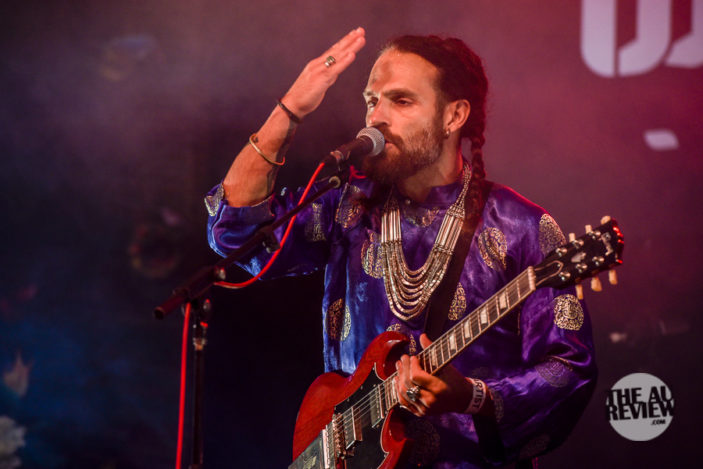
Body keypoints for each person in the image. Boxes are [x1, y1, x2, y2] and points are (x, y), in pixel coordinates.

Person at [205, 28, 597, 468]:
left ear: (454, 116)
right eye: (372, 101)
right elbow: (233, 228)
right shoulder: (347, 206)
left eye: (401, 101)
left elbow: (570, 369)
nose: (375, 118)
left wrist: (471, 396)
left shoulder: (522, 227)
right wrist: (290, 109)